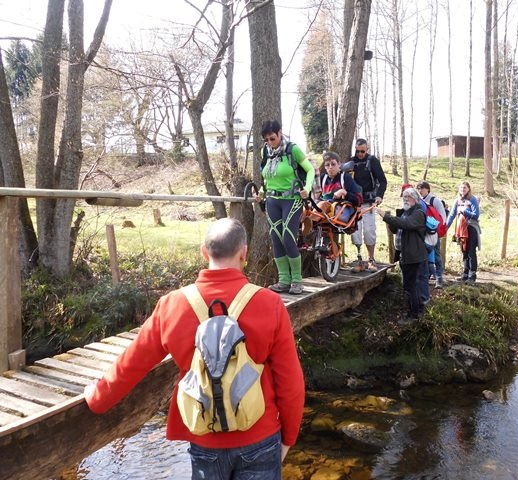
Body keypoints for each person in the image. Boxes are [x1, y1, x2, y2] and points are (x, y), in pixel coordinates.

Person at [84, 218, 305, 479]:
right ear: (244, 253)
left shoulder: (172, 304)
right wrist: (288, 437)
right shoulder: (269, 303)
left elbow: (132, 363)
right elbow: (290, 382)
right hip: (260, 436)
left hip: (205, 439)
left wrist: (98, 398)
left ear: (204, 252)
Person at [258, 120, 316, 295]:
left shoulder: (292, 149)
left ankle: (297, 281)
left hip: (292, 199)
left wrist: (306, 189)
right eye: (266, 139)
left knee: (288, 238)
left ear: (280, 133)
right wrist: (261, 191)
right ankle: (284, 280)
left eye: (273, 138)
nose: (270, 142)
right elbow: (266, 177)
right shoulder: (265, 151)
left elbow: (310, 170)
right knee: (275, 238)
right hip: (272, 200)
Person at [376, 187, 427, 323]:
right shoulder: (405, 212)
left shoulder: (418, 213)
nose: (405, 199)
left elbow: (406, 224)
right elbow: (396, 229)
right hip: (405, 255)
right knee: (411, 284)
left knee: (410, 286)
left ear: (415, 199)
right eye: (404, 196)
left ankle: (413, 314)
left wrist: (386, 216)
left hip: (414, 256)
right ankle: (420, 308)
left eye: (408, 196)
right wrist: (391, 219)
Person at [350, 138, 387, 272]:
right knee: (356, 232)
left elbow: (382, 181)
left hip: (369, 202)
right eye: (358, 151)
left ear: (367, 149)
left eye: (362, 151)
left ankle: (371, 259)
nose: (360, 154)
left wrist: (379, 195)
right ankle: (360, 259)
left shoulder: (373, 161)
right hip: (354, 204)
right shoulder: (351, 162)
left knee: (369, 231)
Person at [446, 181, 481, 283]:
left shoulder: (472, 199)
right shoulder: (457, 201)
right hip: (461, 229)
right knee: (464, 251)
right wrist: (445, 228)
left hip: (471, 228)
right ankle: (465, 274)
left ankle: (472, 275)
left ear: (468, 189)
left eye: (464, 188)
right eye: (461, 188)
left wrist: (464, 210)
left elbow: (476, 215)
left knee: (470, 251)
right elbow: (452, 215)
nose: (462, 190)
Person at [317, 151, 362, 223]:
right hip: (324, 211)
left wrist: (344, 192)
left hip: (341, 210)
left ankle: (310, 222)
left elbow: (358, 199)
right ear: (325, 167)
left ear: (339, 164)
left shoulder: (345, 178)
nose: (330, 167)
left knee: (323, 204)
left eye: (333, 164)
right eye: (327, 165)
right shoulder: (322, 178)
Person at [416, 181, 447, 288]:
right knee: (424, 256)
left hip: (433, 233)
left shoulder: (435, 201)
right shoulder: (419, 201)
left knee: (437, 256)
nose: (420, 191)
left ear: (427, 189)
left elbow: (443, 217)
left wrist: (435, 230)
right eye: (418, 189)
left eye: (422, 188)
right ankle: (426, 277)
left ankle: (439, 279)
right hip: (423, 233)